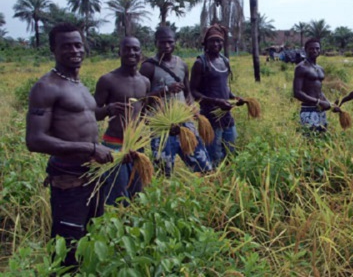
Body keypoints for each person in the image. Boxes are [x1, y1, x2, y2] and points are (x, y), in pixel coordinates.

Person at [26, 23, 114, 269]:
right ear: (53, 49)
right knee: (67, 249)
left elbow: (85, 118)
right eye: (67, 46)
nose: (75, 50)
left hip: (93, 178)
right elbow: (34, 140)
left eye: (78, 44)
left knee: (91, 239)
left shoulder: (80, 86)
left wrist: (107, 112)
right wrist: (90, 149)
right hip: (69, 182)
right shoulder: (46, 87)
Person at [140, 26, 212, 176]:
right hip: (161, 126)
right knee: (163, 172)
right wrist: (165, 89)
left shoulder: (182, 64)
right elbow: (142, 98)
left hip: (185, 123)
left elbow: (188, 92)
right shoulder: (148, 67)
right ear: (156, 43)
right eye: (162, 42)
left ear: (175, 43)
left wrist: (191, 106)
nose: (167, 46)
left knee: (203, 166)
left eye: (170, 42)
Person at [94, 37, 150, 206]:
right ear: (119, 52)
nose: (131, 53)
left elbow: (144, 113)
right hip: (114, 146)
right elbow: (93, 113)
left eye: (135, 49)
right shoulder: (108, 80)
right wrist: (108, 109)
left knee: (136, 195)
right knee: (117, 199)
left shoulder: (145, 81)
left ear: (141, 53)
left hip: (137, 147)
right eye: (127, 49)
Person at [190, 24, 245, 165]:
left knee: (230, 151)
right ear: (206, 42)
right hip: (210, 117)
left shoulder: (224, 61)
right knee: (213, 156)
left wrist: (234, 97)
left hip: (226, 115)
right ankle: (212, 181)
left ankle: (226, 180)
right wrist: (216, 101)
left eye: (219, 40)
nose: (216, 44)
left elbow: (224, 86)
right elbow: (194, 92)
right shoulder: (200, 63)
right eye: (212, 40)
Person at [293, 38, 338, 133]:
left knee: (322, 138)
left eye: (317, 48)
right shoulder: (301, 67)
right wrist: (318, 102)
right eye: (311, 48)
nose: (315, 51)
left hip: (320, 110)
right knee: (310, 140)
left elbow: (318, 90)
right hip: (308, 110)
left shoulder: (320, 69)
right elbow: (297, 92)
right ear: (305, 50)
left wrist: (329, 104)